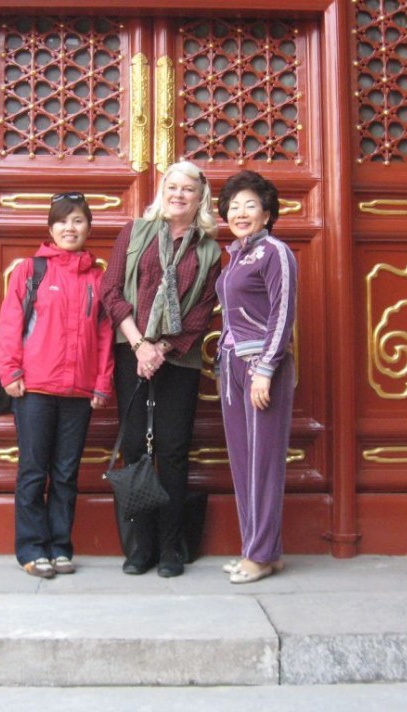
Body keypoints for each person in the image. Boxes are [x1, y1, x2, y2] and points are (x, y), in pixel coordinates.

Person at [100, 161, 221, 578]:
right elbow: (110, 290)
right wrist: (139, 344)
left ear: (200, 197)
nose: (179, 194)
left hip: (179, 358)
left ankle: (171, 547)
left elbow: (202, 313)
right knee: (135, 448)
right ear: (162, 191)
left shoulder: (208, 249)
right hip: (131, 351)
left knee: (172, 449)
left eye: (189, 189)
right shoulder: (134, 232)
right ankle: (140, 548)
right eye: (173, 186)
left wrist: (162, 348)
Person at [0, 192, 114, 578]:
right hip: (35, 390)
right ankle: (31, 549)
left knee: (65, 473)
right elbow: (11, 324)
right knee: (33, 470)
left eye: (78, 221)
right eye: (63, 221)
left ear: (88, 228)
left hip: (78, 392)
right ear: (50, 229)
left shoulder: (98, 278)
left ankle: (61, 546)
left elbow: (104, 335)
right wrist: (10, 373)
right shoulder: (31, 271)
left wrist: (101, 383)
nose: (70, 228)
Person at [216, 170, 297, 584]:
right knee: (244, 461)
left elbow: (282, 314)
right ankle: (261, 550)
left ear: (267, 214)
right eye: (233, 206)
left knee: (263, 462)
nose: (240, 212)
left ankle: (260, 553)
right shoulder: (235, 257)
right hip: (230, 365)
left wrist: (265, 369)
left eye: (250, 205)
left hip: (260, 368)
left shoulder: (275, 252)